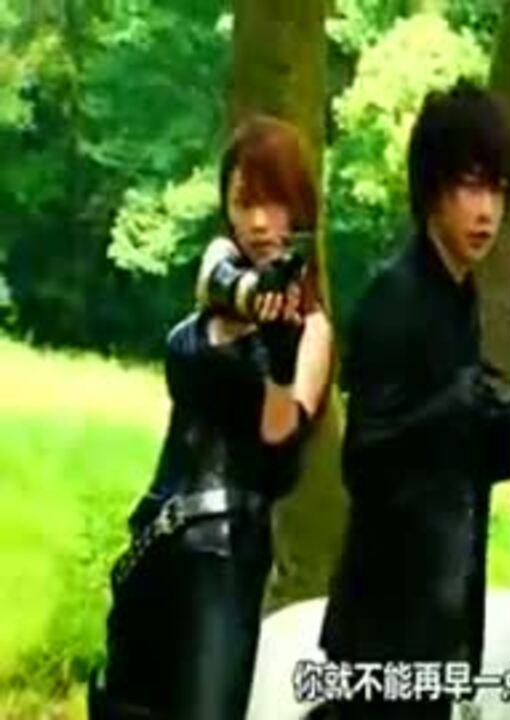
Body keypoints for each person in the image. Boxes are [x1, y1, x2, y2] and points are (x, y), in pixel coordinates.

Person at [88, 116, 334, 720]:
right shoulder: (220, 277)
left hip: (223, 562)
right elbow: (212, 287)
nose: (259, 222)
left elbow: (279, 459)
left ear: (300, 209)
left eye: (273, 203)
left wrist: (279, 363)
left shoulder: (312, 330)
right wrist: (252, 300)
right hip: (154, 544)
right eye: (244, 202)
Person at [319, 78, 510, 720]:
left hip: (440, 619)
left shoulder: (461, 295)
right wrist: (450, 407)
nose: (487, 211)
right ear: (431, 189)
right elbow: (363, 459)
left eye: (498, 189)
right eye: (470, 186)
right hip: (383, 625)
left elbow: (450, 464)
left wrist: (507, 432)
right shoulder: (397, 295)